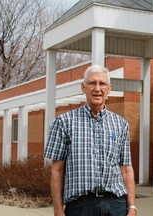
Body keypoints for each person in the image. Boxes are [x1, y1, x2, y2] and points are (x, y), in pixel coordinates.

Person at [44, 64, 136, 216]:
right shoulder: (64, 122)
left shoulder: (121, 124)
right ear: (83, 87)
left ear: (109, 89)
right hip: (80, 207)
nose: (97, 88)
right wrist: (58, 210)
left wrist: (132, 207)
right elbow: (57, 170)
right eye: (92, 83)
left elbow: (126, 169)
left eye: (102, 84)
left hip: (116, 206)